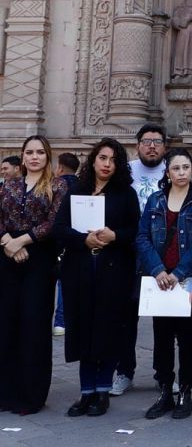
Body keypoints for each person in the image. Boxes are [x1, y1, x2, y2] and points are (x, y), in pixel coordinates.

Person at [53, 138, 141, 417]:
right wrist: (84, 239)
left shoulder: (126, 193)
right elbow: (60, 229)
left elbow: (135, 231)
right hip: (79, 269)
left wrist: (115, 236)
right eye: (103, 158)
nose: (107, 164)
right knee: (83, 329)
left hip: (114, 270)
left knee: (108, 329)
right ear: (93, 160)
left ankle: (103, 391)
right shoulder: (77, 191)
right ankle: (86, 391)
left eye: (113, 160)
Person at [136, 148, 192, 419]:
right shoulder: (155, 200)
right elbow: (142, 236)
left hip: (190, 277)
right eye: (176, 168)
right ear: (167, 172)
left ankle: (186, 391)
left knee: (187, 333)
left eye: (186, 168)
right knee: (162, 334)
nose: (181, 173)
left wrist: (179, 272)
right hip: (159, 277)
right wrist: (157, 270)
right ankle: (165, 391)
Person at [0, 136, 68, 414]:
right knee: (6, 323)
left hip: (39, 258)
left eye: (40, 152)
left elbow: (54, 221)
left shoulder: (57, 185)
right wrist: (8, 242)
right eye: (29, 152)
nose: (34, 157)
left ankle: (31, 395)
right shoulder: (9, 185)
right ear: (23, 156)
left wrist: (23, 241)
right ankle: (5, 392)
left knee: (33, 324)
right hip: (6, 257)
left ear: (47, 156)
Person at [111, 124, 168, 397]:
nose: (152, 146)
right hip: (127, 251)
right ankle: (124, 371)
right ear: (138, 145)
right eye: (147, 141)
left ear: (164, 147)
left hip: (160, 252)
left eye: (157, 141)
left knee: (164, 318)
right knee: (124, 316)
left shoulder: (172, 170)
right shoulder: (125, 172)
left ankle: (163, 373)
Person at [53, 152, 81, 337]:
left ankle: (60, 321)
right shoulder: (82, 186)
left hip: (57, 239)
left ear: (60, 167)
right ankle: (66, 320)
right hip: (77, 238)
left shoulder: (55, 185)